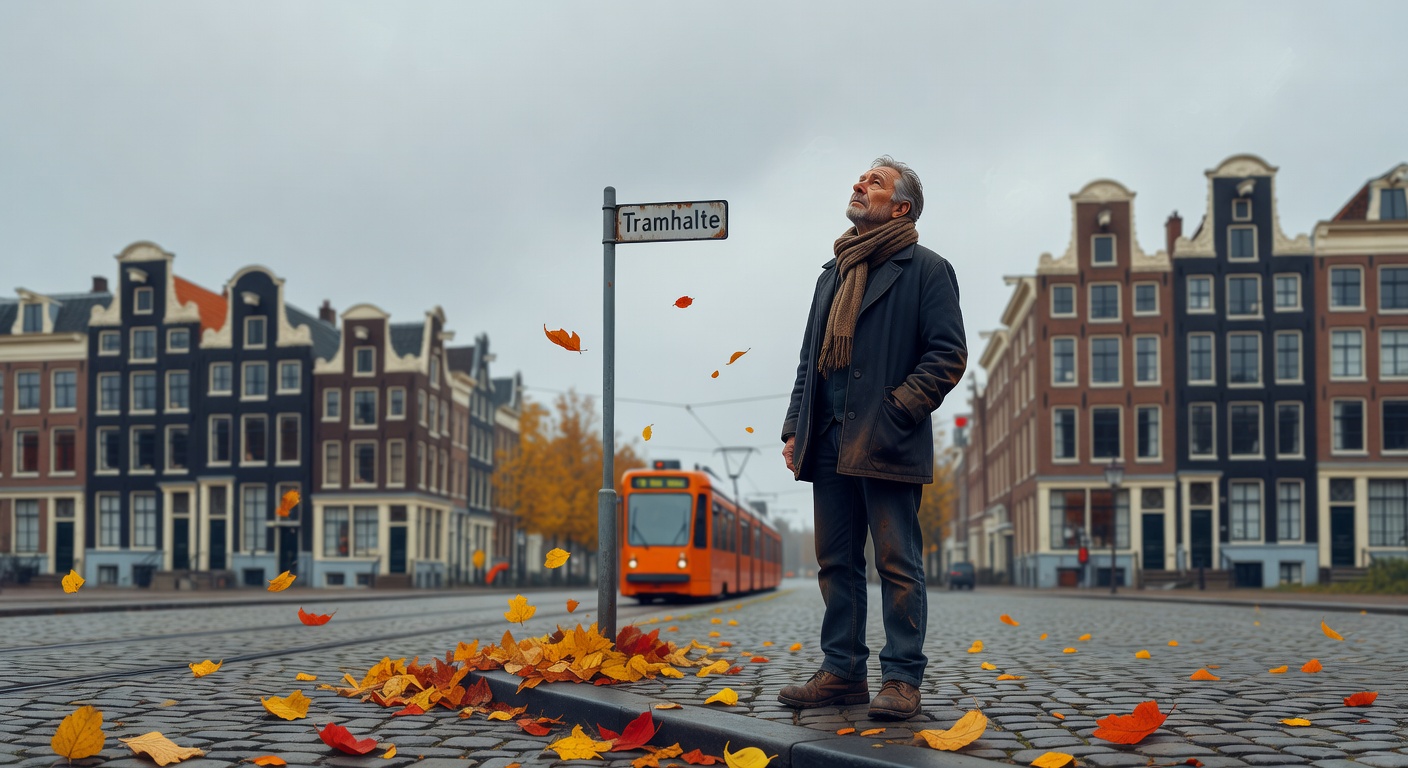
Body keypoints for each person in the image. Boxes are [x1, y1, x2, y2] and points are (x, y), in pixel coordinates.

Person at [778, 156, 967, 721]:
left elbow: (947, 356)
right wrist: (795, 427)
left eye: (875, 183)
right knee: (835, 563)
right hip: (830, 440)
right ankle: (842, 673)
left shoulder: (927, 270)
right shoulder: (831, 275)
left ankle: (903, 680)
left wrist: (896, 411)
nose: (860, 185)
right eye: (861, 179)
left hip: (887, 440)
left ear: (901, 207)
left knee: (896, 562)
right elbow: (810, 362)